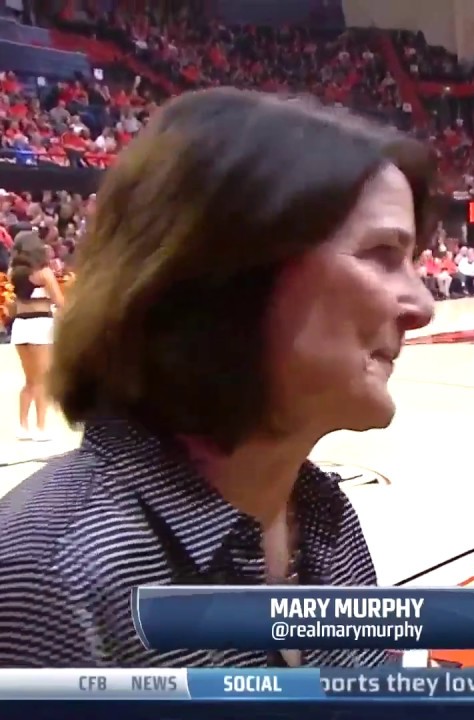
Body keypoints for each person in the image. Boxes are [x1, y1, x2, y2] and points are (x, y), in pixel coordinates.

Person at [0, 88, 436, 667]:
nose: (422, 305)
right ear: (228, 276)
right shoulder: (52, 581)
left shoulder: (322, 515)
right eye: (382, 254)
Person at [7, 231, 65, 441]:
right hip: (40, 325)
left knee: (30, 380)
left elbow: (15, 302)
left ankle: (23, 426)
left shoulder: (13, 272)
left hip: (20, 326)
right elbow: (59, 301)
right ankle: (41, 428)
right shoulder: (44, 272)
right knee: (42, 379)